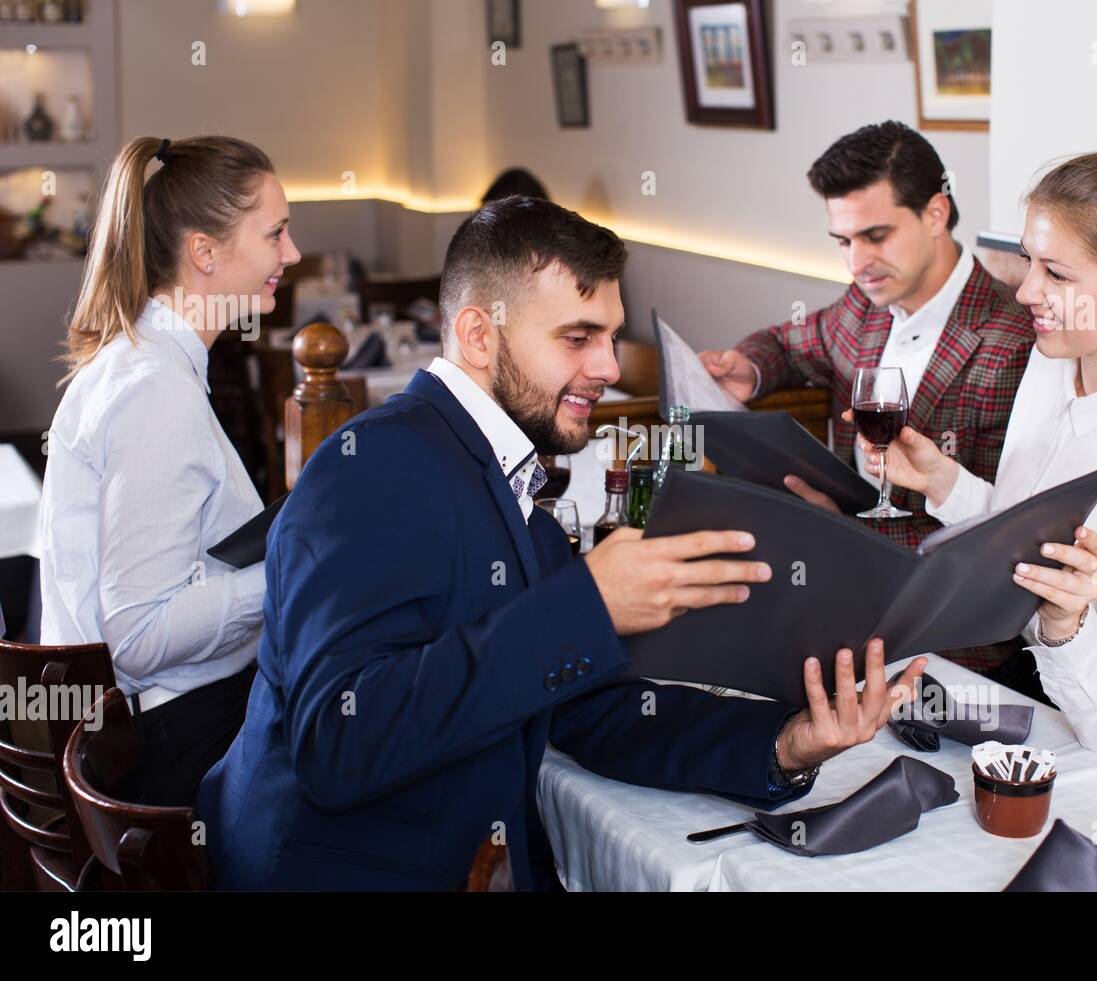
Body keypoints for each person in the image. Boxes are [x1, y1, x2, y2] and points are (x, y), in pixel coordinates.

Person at [196, 196, 926, 890]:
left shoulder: (511, 484)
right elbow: (340, 741)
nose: (609, 367)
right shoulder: (374, 468)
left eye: (609, 335)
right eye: (579, 337)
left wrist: (788, 743)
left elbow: (596, 711)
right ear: (480, 335)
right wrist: (590, 604)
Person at [856, 152, 1097, 784]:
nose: (1025, 291)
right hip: (1042, 691)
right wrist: (942, 481)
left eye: (1058, 274)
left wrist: (1066, 625)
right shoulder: (1053, 362)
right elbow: (1023, 534)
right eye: (1028, 260)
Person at [38, 135, 302, 805]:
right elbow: (138, 632)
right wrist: (287, 577)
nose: (292, 255)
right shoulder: (154, 387)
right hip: (164, 741)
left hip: (151, 721)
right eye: (276, 234)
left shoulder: (145, 362)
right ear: (204, 252)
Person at [699, 121, 1035, 557]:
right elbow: (788, 344)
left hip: (927, 596)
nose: (857, 263)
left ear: (936, 214)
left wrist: (840, 534)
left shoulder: (1012, 342)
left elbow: (999, 530)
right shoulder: (865, 302)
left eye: (876, 236)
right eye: (843, 241)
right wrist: (750, 368)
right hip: (828, 553)